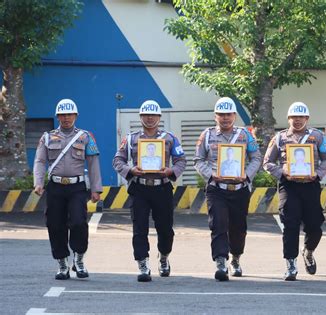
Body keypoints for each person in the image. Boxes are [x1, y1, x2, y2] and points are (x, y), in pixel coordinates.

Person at [112, 100, 186, 282]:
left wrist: (171, 172)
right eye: (146, 115)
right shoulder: (131, 139)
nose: (150, 118)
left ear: (159, 117)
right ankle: (142, 263)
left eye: (153, 115)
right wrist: (130, 170)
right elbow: (117, 161)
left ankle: (163, 257)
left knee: (165, 229)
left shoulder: (170, 138)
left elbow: (181, 160)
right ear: (141, 117)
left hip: (162, 188)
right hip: (139, 188)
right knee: (139, 228)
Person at [33, 99, 102, 280]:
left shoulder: (85, 137)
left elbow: (93, 163)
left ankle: (78, 259)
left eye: (69, 114)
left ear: (76, 116)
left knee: (79, 222)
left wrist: (96, 189)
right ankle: (62, 263)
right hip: (55, 187)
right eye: (62, 115)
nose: (66, 118)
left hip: (77, 187)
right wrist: (38, 182)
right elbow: (40, 161)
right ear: (57, 116)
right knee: (55, 224)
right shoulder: (47, 137)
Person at [194, 97, 262, 281]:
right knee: (218, 224)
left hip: (239, 188)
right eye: (221, 114)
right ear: (215, 116)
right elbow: (198, 160)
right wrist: (211, 175)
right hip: (217, 188)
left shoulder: (245, 135)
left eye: (228, 114)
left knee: (238, 228)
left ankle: (236, 257)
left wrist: (246, 175)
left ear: (234, 115)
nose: (225, 118)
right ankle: (221, 262)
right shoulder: (206, 135)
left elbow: (256, 157)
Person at [263, 101, 326, 281]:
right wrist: (282, 172)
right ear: (288, 119)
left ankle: (308, 252)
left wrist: (317, 174)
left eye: (301, 117)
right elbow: (267, 162)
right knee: (290, 225)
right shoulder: (280, 138)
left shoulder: (318, 137)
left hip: (311, 185)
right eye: (294, 117)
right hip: (289, 186)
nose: (297, 120)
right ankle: (291, 263)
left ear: (307, 118)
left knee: (315, 226)